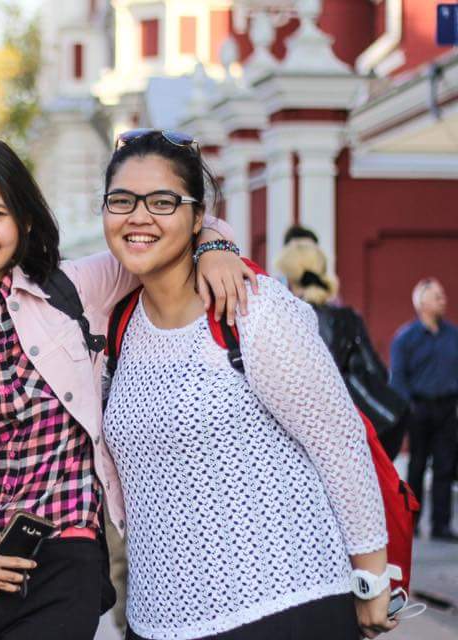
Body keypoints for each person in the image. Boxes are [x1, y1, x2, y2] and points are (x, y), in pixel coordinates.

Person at [0, 138, 253, 640]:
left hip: (63, 561)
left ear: (24, 220)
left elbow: (156, 233)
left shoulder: (76, 290)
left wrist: (214, 245)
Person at [98, 131, 395, 640]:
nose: (138, 216)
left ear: (198, 219)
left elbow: (340, 442)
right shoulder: (117, 319)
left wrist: (371, 579)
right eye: (121, 200)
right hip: (158, 620)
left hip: (281, 605)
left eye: (163, 202)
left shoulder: (254, 311)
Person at [275, 239, 407, 458]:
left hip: (310, 440)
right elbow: (378, 372)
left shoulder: (287, 319)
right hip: (364, 433)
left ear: (290, 278)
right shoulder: (347, 317)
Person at [390, 278, 458, 541]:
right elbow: (399, 378)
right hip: (419, 409)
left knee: (444, 466)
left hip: (446, 409)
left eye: (442, 294)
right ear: (422, 303)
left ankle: (441, 525)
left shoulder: (453, 336)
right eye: (436, 295)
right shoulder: (406, 338)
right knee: (416, 465)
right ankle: (412, 524)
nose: (443, 299)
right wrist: (408, 408)